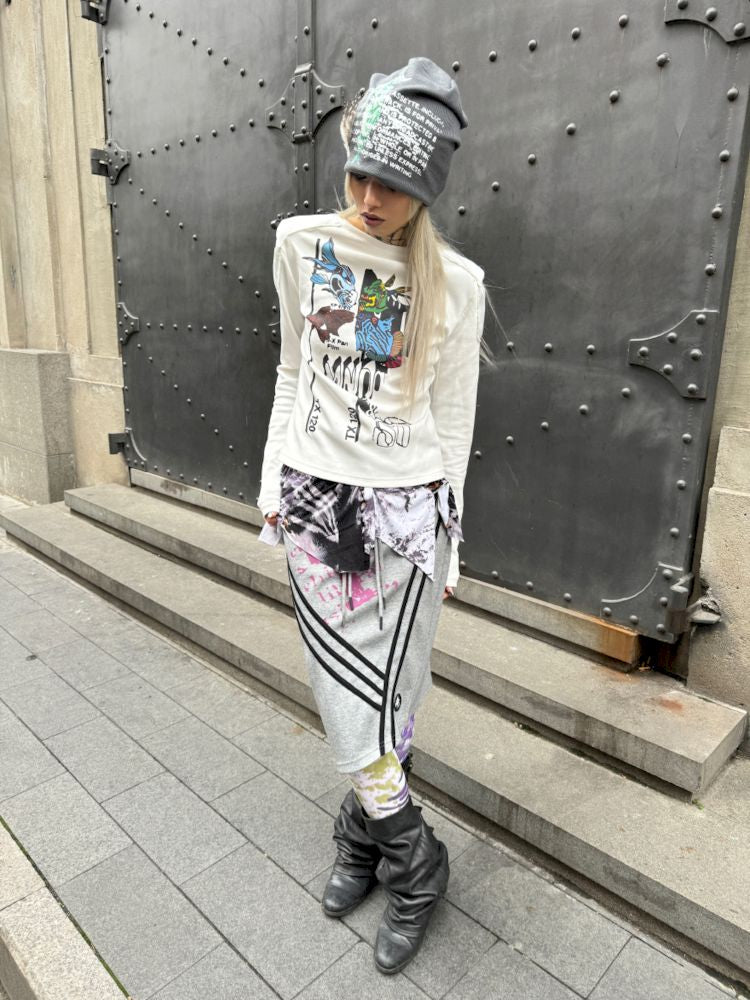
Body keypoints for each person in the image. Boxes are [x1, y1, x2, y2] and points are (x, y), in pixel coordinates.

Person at [256, 56, 489, 976]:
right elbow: (292, 371)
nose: (367, 198)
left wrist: (451, 546)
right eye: (358, 173)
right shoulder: (301, 244)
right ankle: (417, 862)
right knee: (345, 701)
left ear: (425, 189)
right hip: (316, 504)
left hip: (407, 516)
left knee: (393, 697)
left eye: (391, 184)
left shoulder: (457, 285)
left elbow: (455, 422)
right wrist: (271, 486)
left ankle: (363, 836)